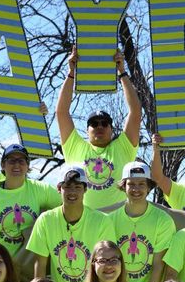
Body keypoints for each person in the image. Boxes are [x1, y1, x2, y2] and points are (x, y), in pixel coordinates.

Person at [57, 47, 142, 209]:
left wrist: (122, 72)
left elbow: (136, 112)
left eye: (104, 123)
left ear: (112, 129)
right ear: (87, 130)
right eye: (94, 124)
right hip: (86, 221)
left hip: (117, 222)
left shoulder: (123, 147)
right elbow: (61, 112)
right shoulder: (75, 146)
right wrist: (71, 72)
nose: (99, 126)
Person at [25, 166, 115, 282]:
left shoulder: (102, 221)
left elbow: (107, 265)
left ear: (85, 190)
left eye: (78, 187)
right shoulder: (46, 220)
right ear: (59, 188)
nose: (72, 192)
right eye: (67, 186)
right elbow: (40, 264)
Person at [0, 143, 62, 260]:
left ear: (27, 165)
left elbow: (67, 206)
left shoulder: (41, 190)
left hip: (26, 266)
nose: (16, 165)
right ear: (3, 165)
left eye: (21, 161)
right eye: (11, 160)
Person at [111, 162, 176, 282]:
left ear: (149, 187)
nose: (136, 189)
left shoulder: (163, 220)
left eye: (141, 184)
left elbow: (159, 265)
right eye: (131, 184)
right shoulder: (110, 220)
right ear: (123, 186)